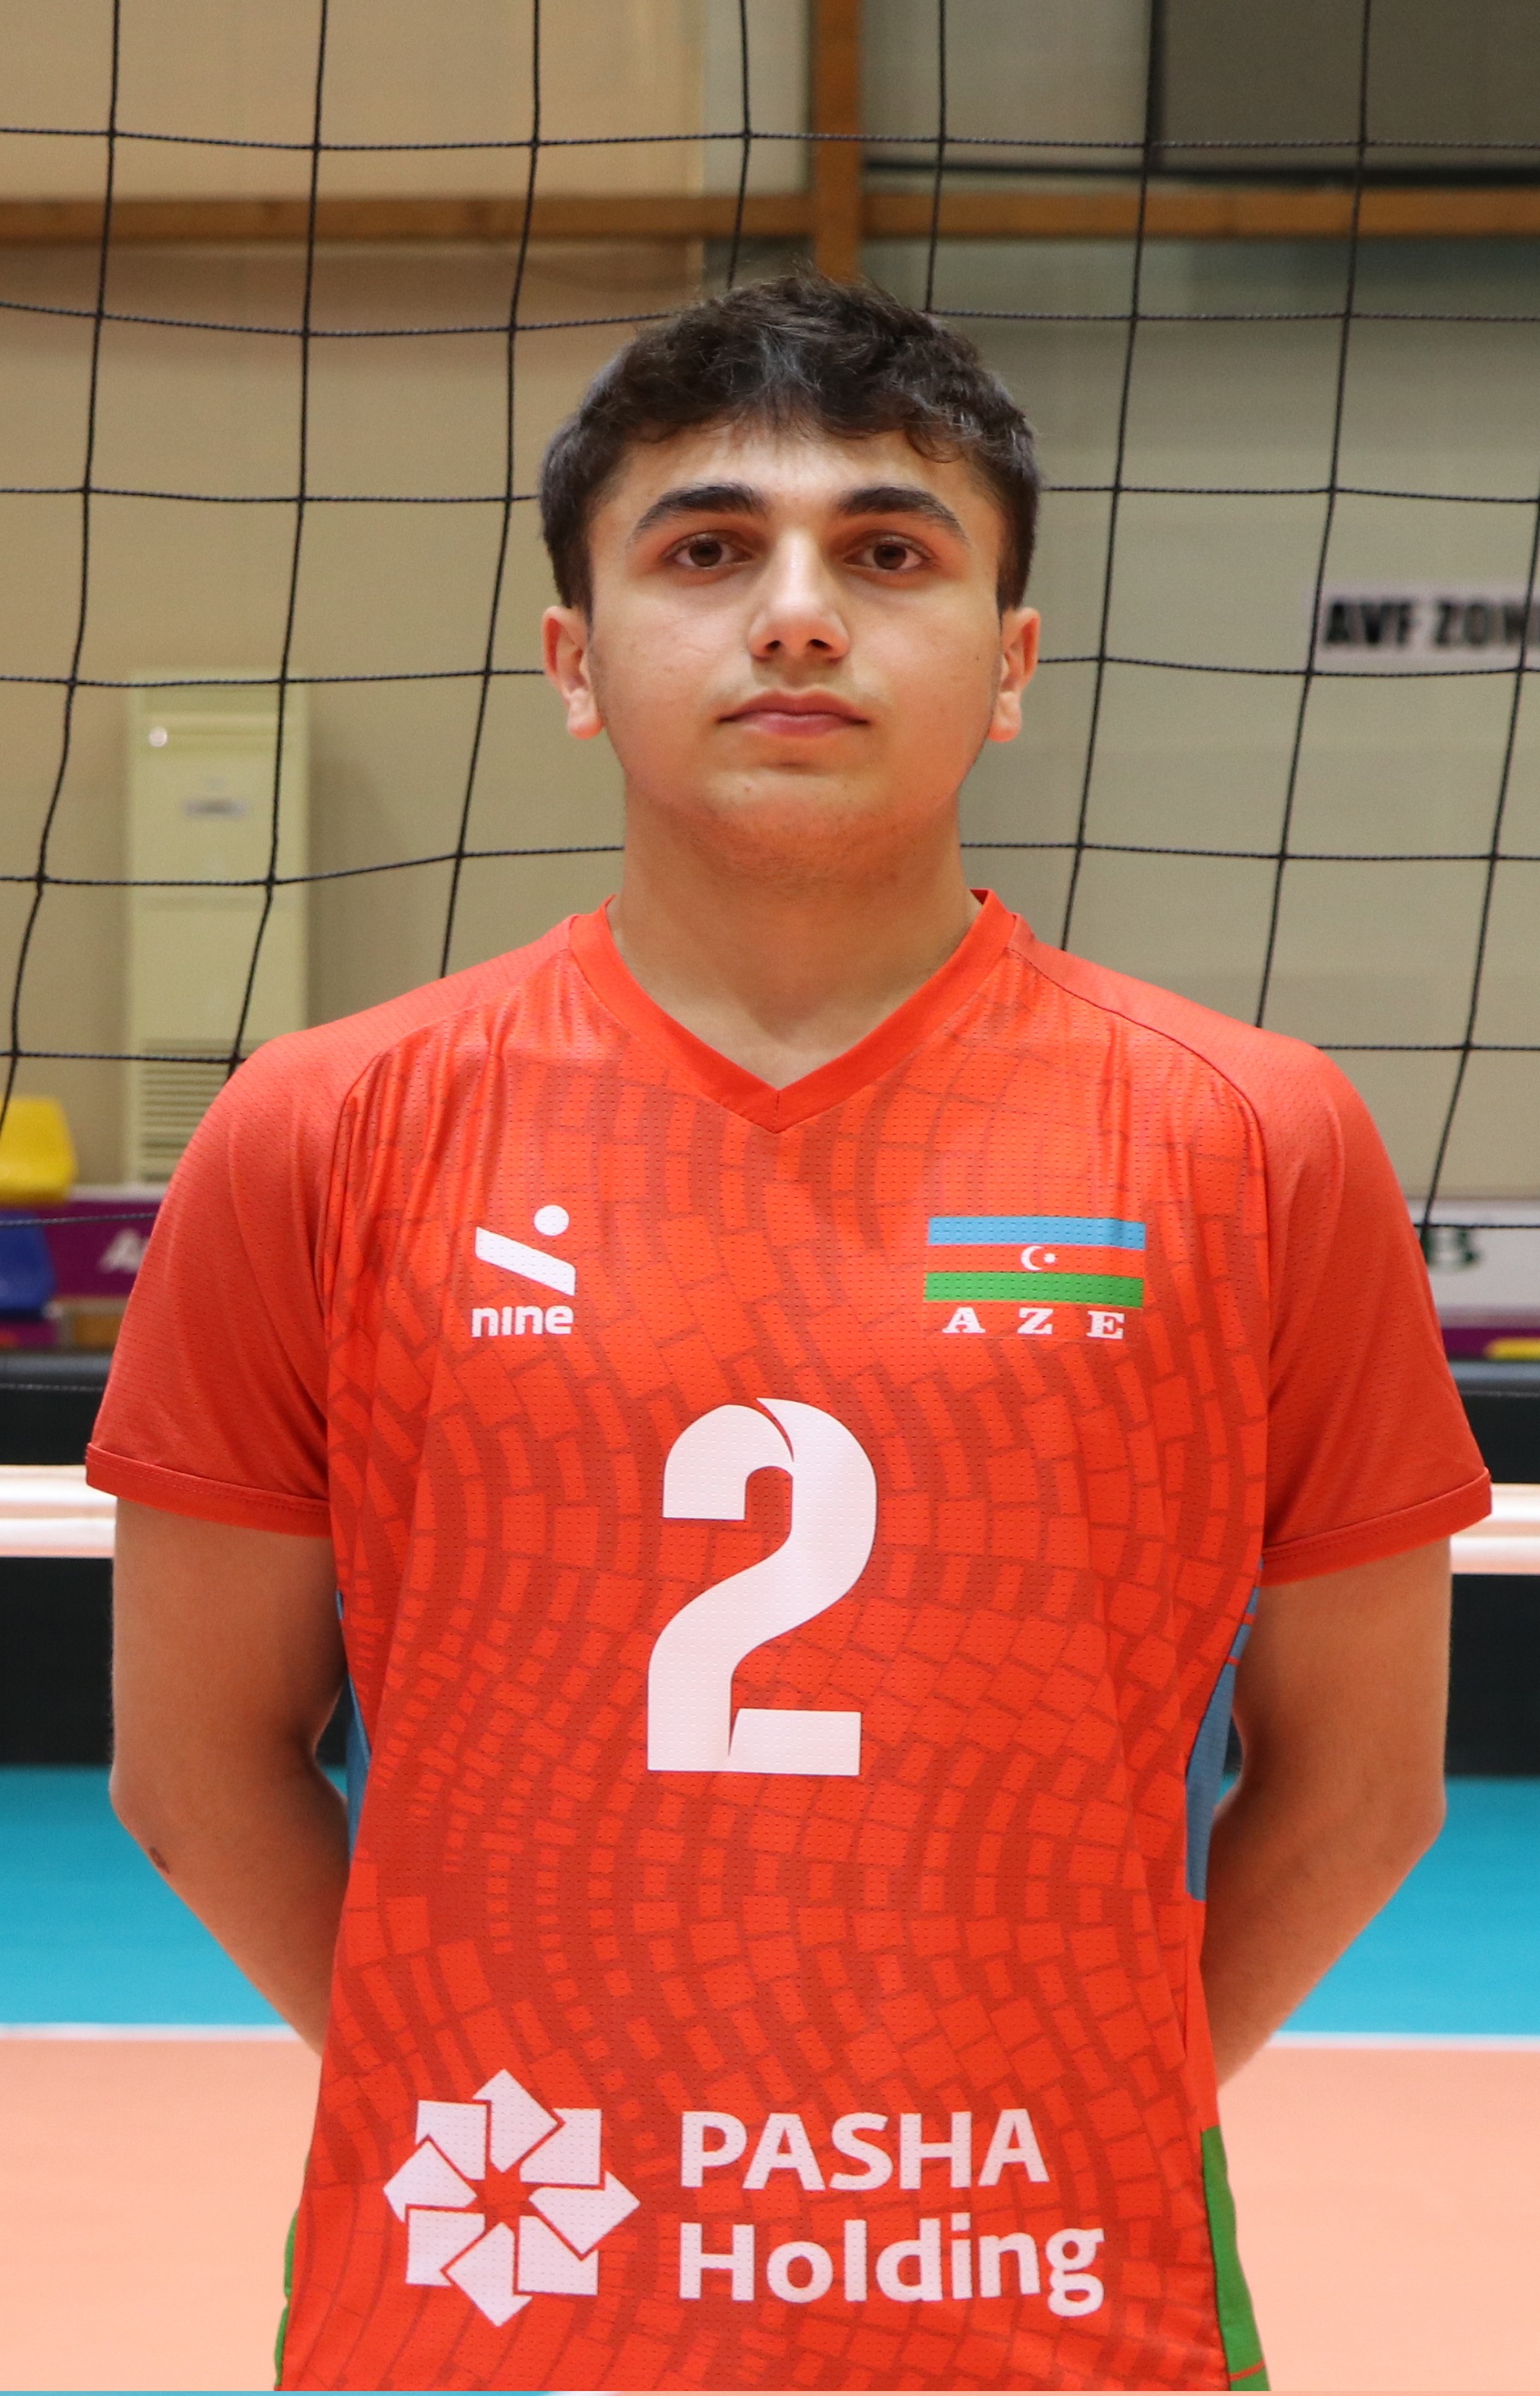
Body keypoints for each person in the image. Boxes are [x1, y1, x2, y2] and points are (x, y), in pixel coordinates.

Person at [92, 273, 1488, 2394]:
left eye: (892, 552)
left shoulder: (1252, 1138)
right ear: (575, 657)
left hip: (1047, 2285)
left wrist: (1091, 2089)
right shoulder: (323, 1129)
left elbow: (1366, 1783)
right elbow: (197, 1768)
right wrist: (469, 2068)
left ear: (1011, 662)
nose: (802, 614)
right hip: (494, 2277)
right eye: (708, 548)